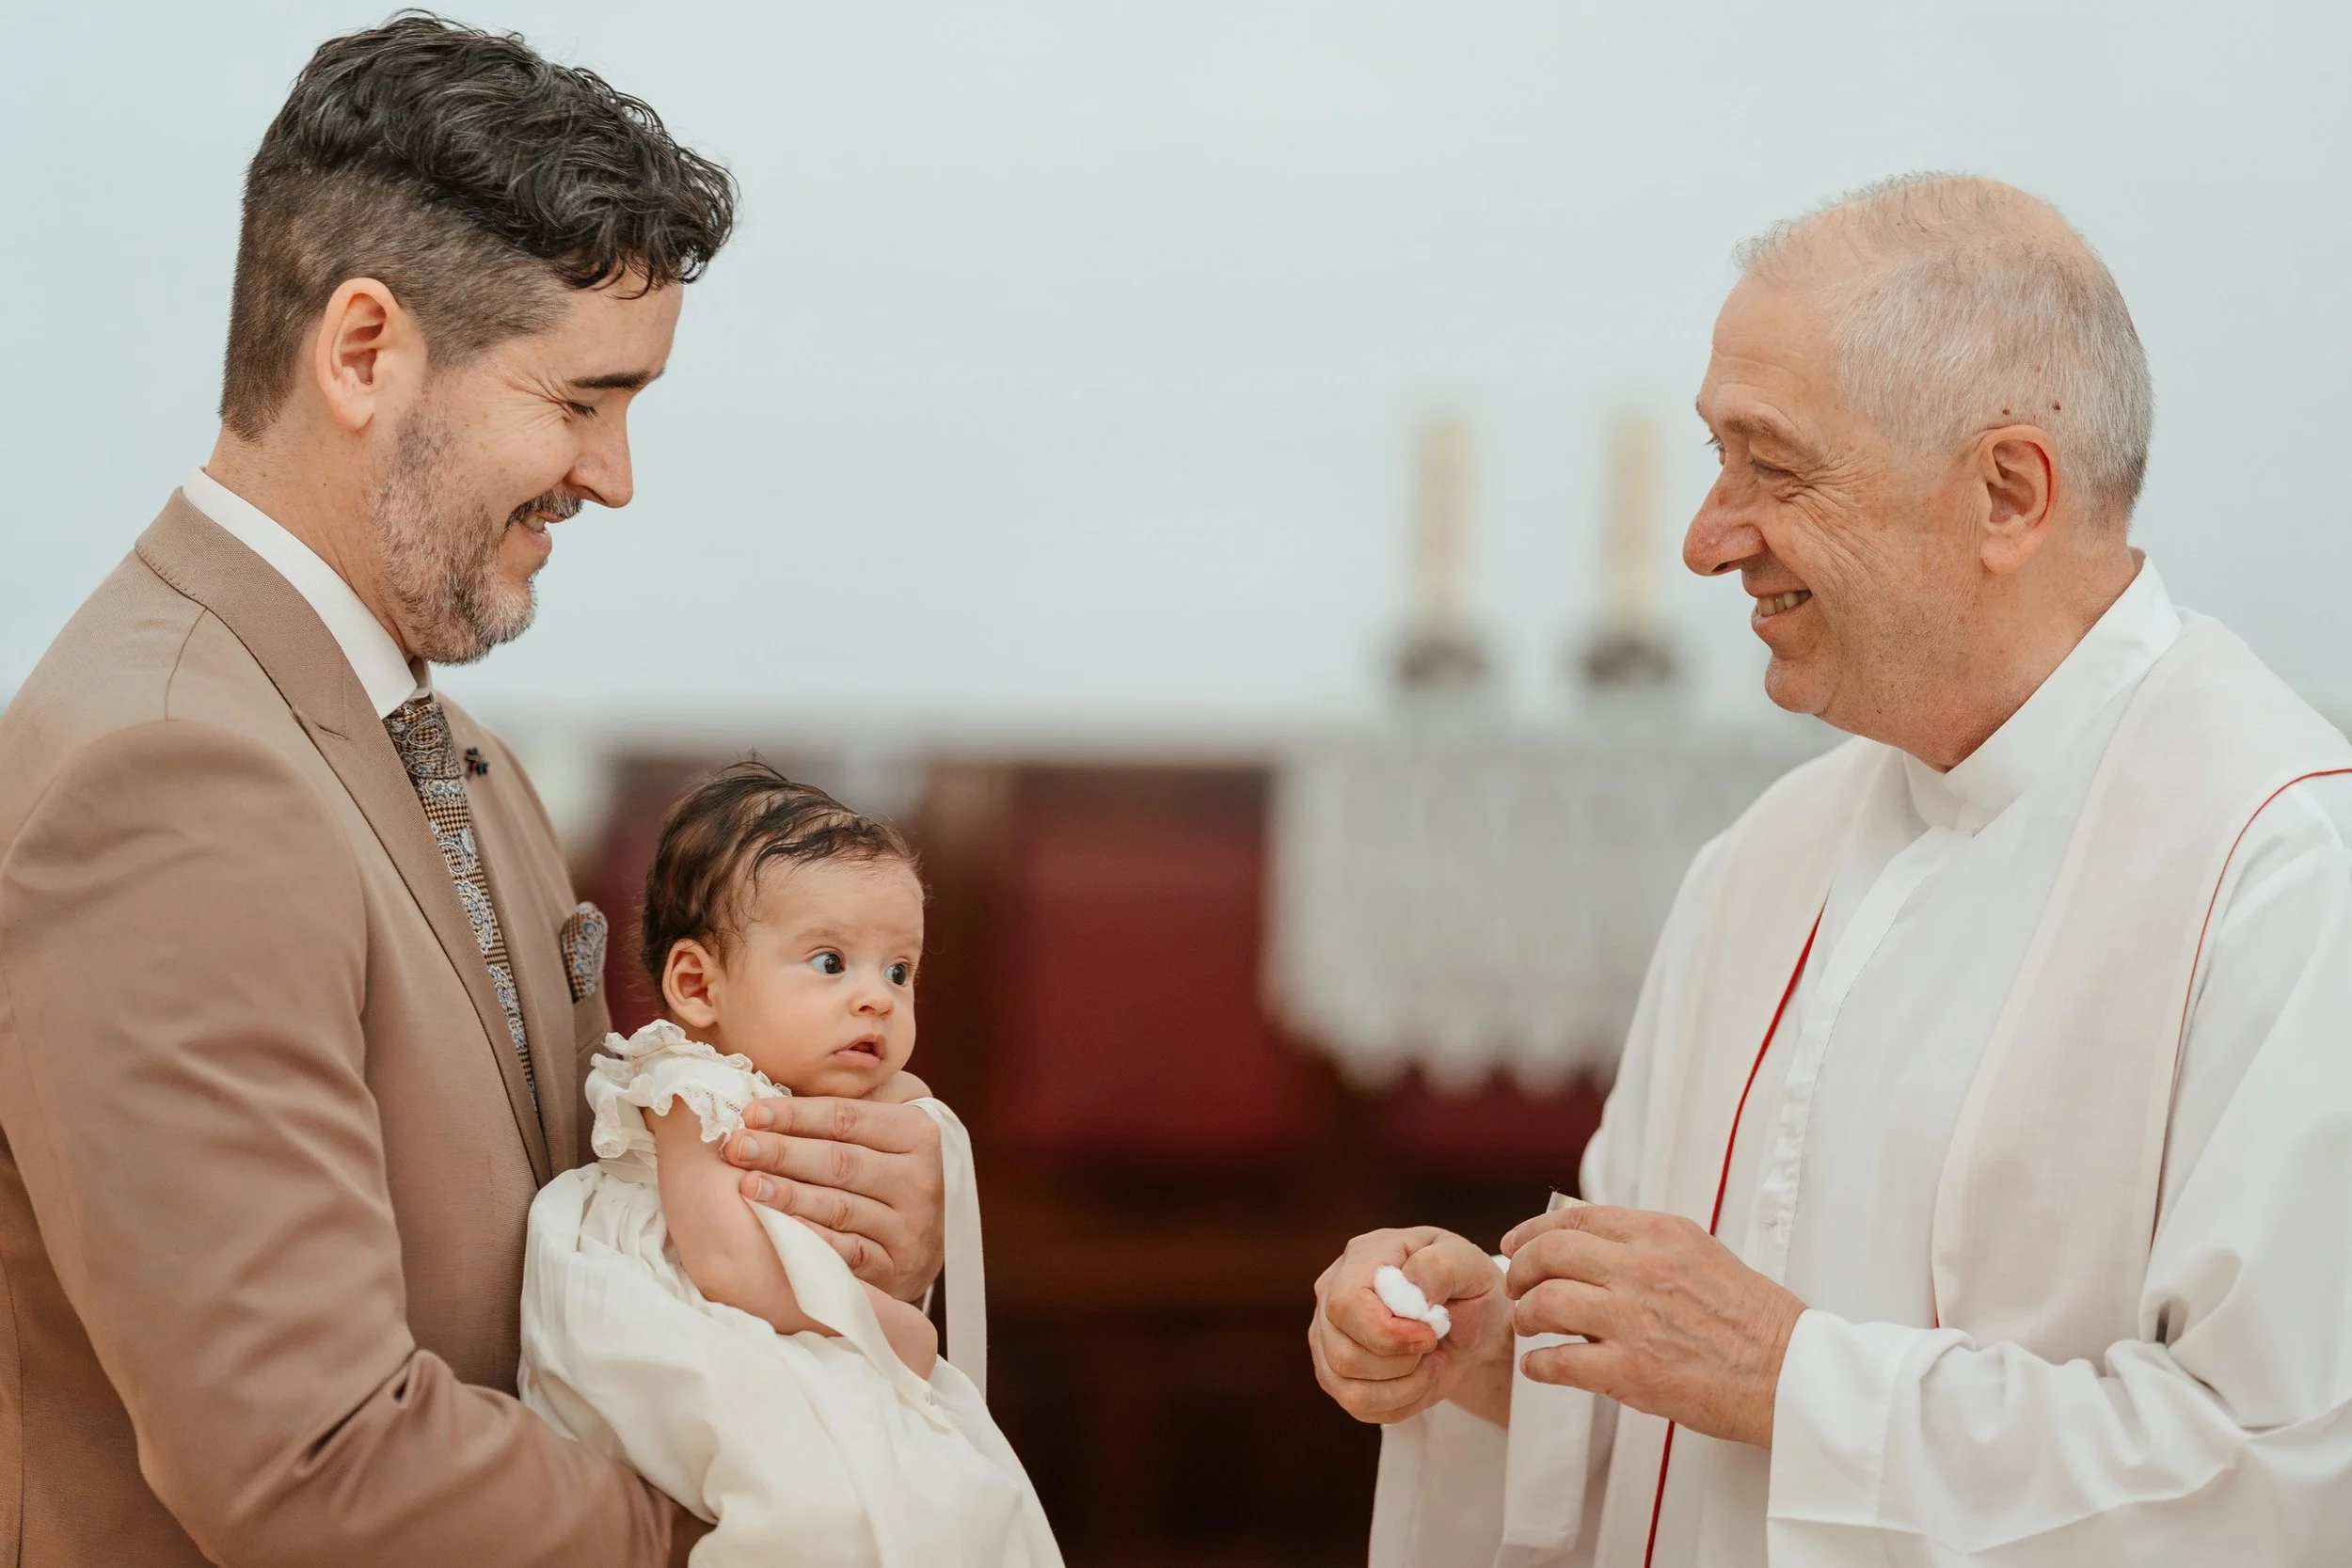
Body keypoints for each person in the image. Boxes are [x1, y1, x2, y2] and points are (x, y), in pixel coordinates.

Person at [0, 18, 942, 1565]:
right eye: (581, 400)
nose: (617, 474)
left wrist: (839, 1237)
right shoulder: (167, 778)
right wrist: (766, 1506)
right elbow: (312, 1465)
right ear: (365, 350)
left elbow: (587, 1243)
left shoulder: (457, 753)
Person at [1309, 172, 2352, 1566]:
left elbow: (2279, 1476)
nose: (1706, 535)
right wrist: (1503, 1349)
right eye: (1714, 455)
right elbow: (1681, 1378)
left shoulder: (2283, 872)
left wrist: (1791, 1375)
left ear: (2007, 492)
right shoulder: (1769, 853)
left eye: (1773, 464)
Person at [519, 763, 1060, 1567]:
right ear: (698, 986)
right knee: (817, 1502)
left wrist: (905, 1099)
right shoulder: (686, 1085)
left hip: (782, 1314)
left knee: (965, 1489)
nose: (878, 997)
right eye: (831, 962)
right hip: (686, 1313)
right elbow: (724, 1258)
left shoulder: (813, 1075)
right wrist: (877, 1321)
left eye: (899, 969)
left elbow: (906, 1117)